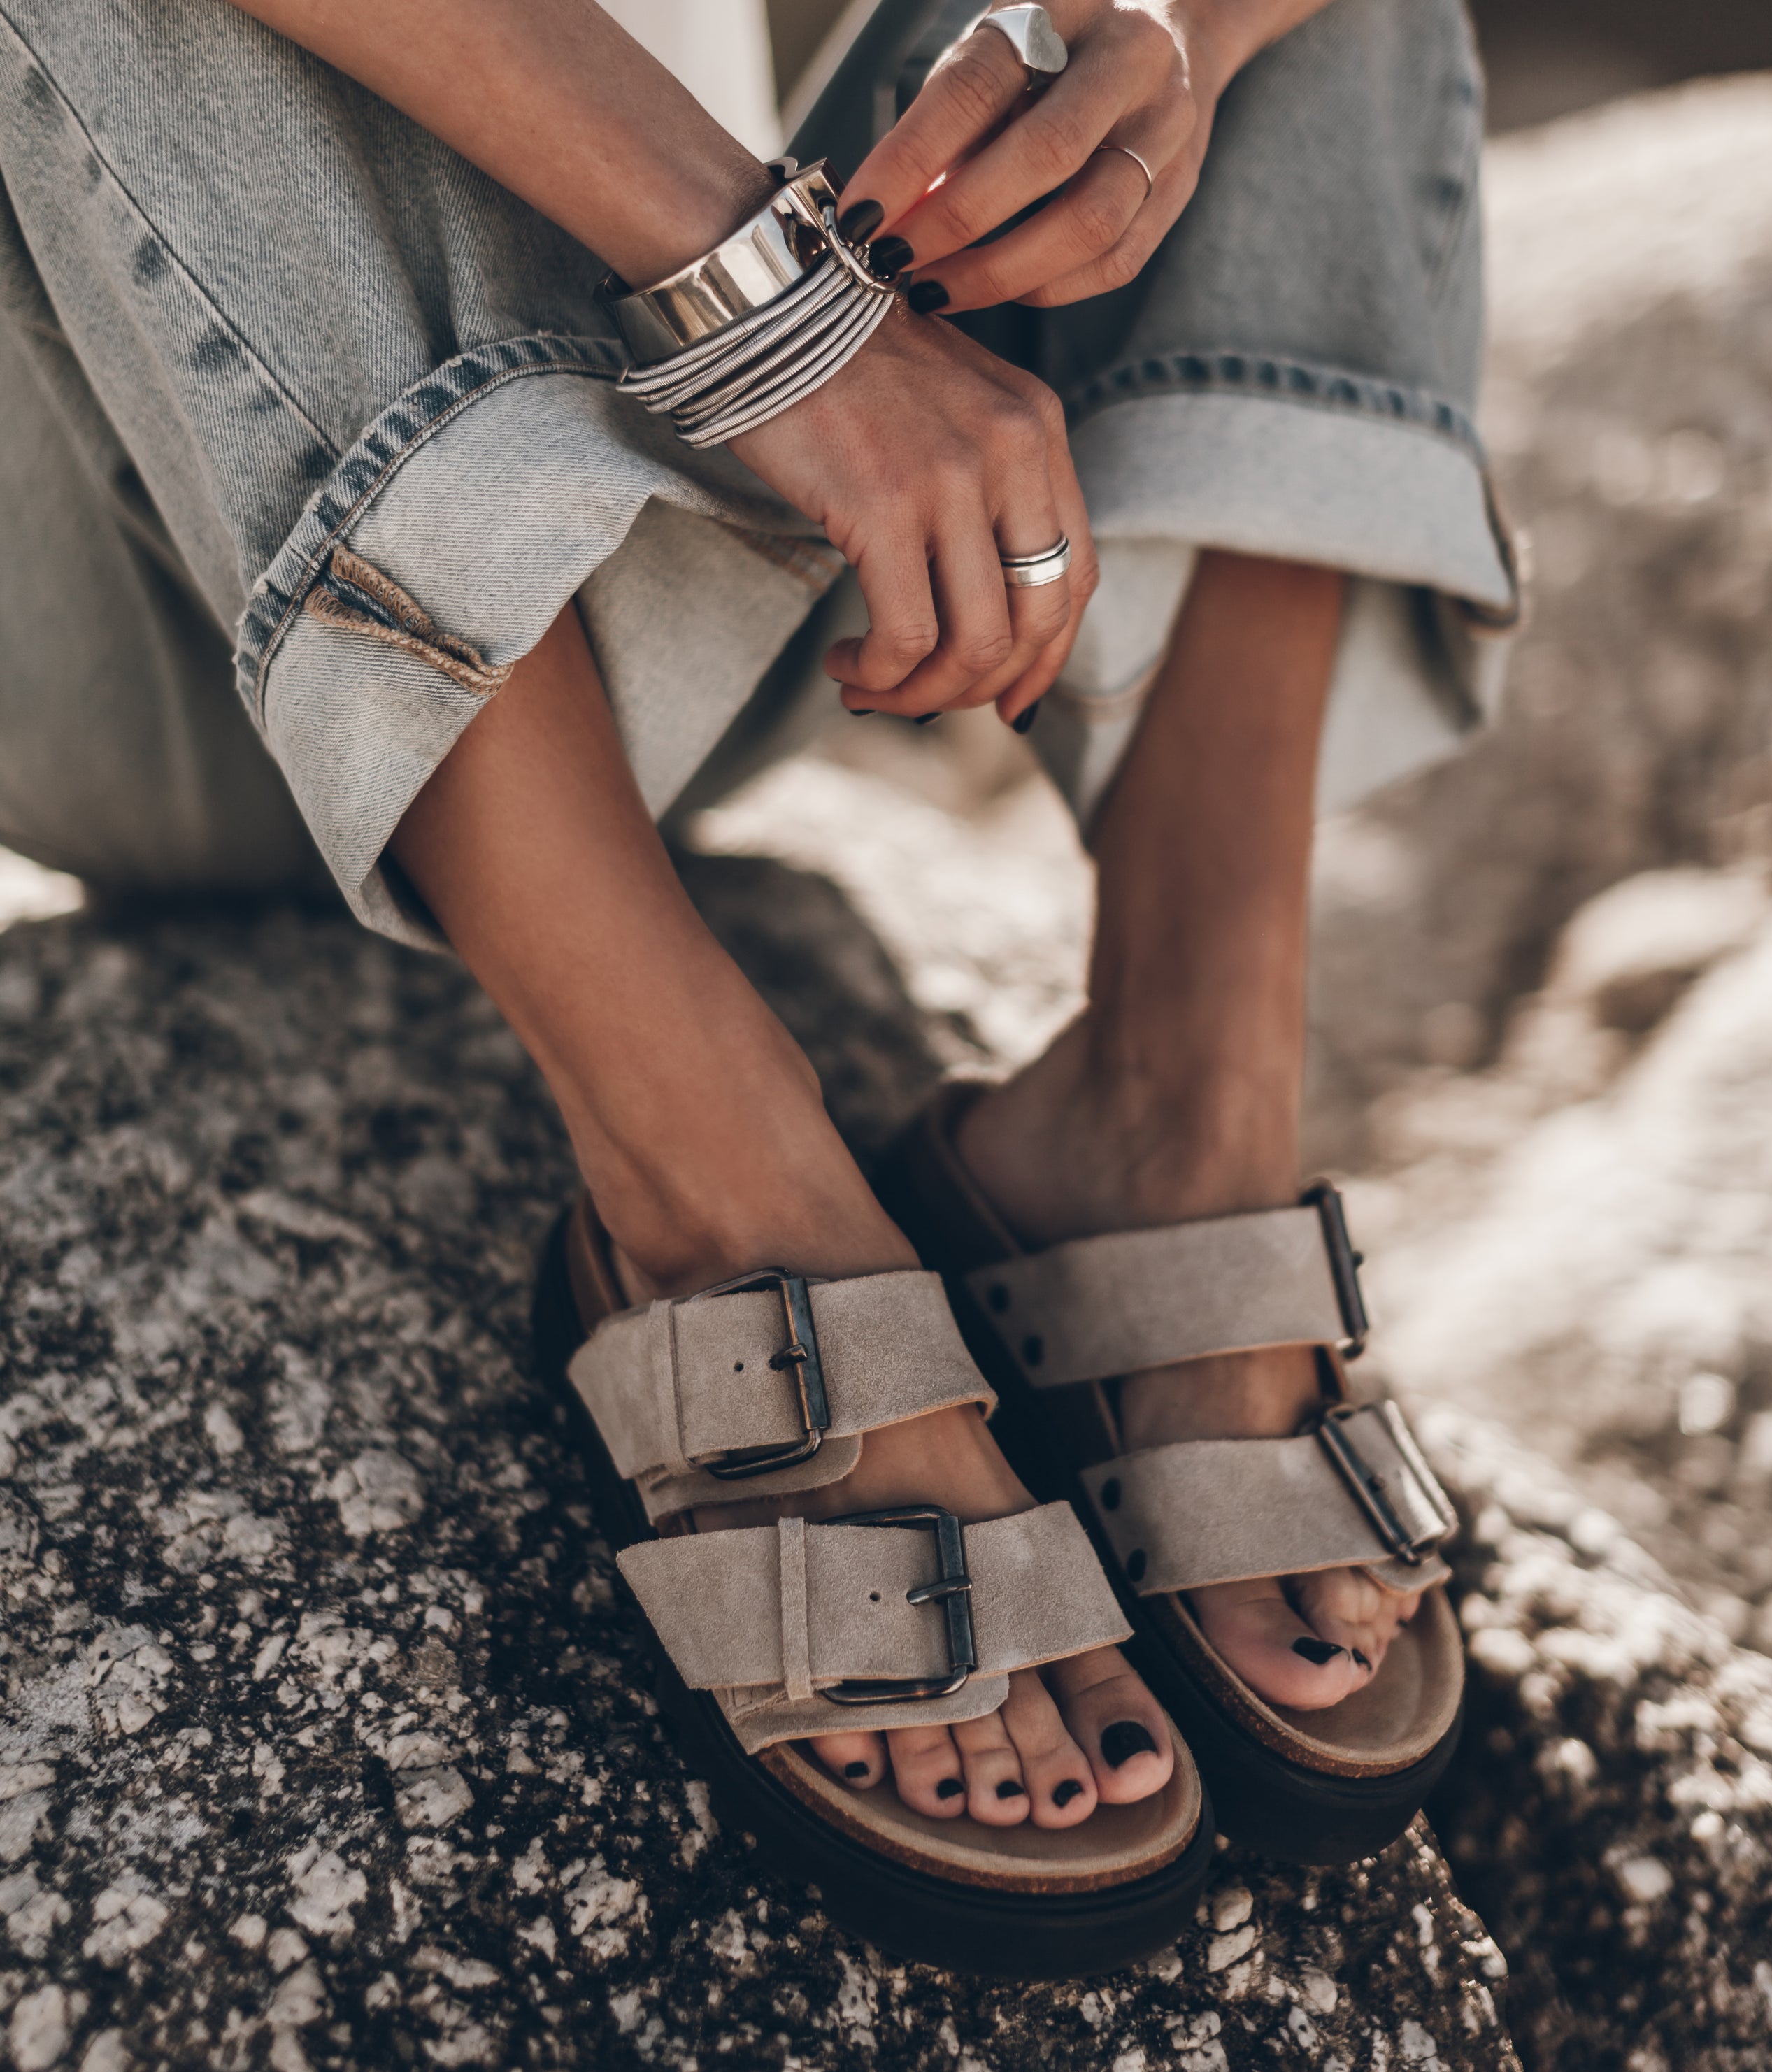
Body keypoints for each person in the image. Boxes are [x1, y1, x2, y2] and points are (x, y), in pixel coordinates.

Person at [0, 0, 1513, 1972]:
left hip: (711, 527)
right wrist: (786, 315)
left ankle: (1175, 1103)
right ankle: (718, 1178)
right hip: (164, 603)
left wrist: (1165, 49)